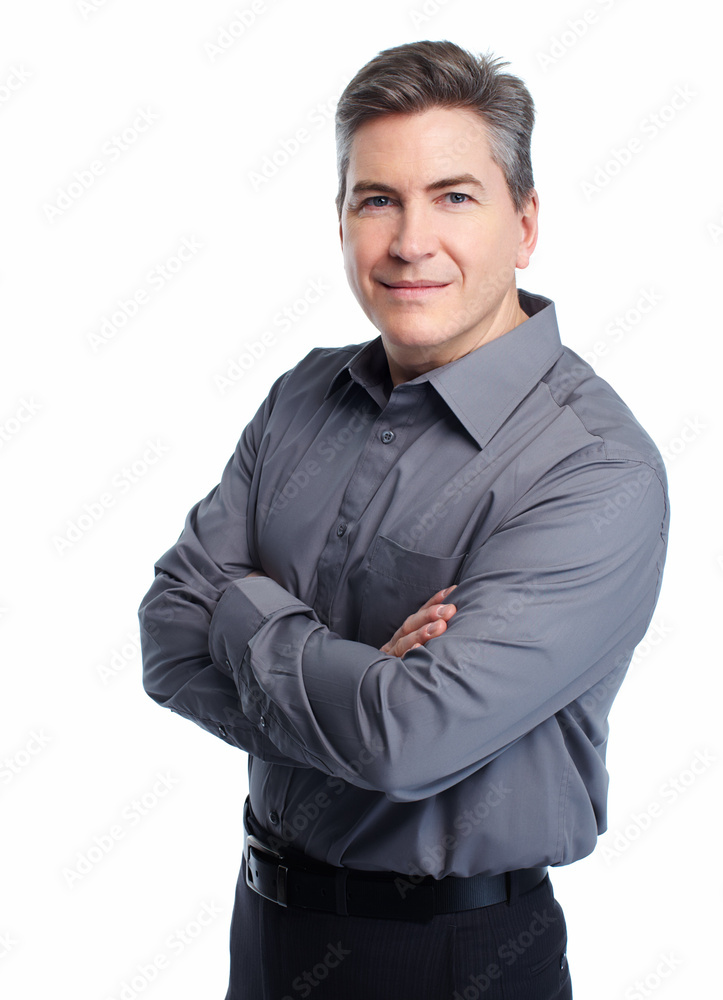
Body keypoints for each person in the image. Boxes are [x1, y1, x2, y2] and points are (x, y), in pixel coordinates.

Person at [138, 39, 669, 999]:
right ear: (342, 220)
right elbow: (167, 640)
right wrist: (360, 680)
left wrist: (244, 609)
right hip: (262, 932)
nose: (409, 241)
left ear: (525, 223)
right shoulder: (301, 397)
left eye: (453, 197)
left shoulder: (593, 469)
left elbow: (405, 738)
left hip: (457, 958)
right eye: (376, 199)